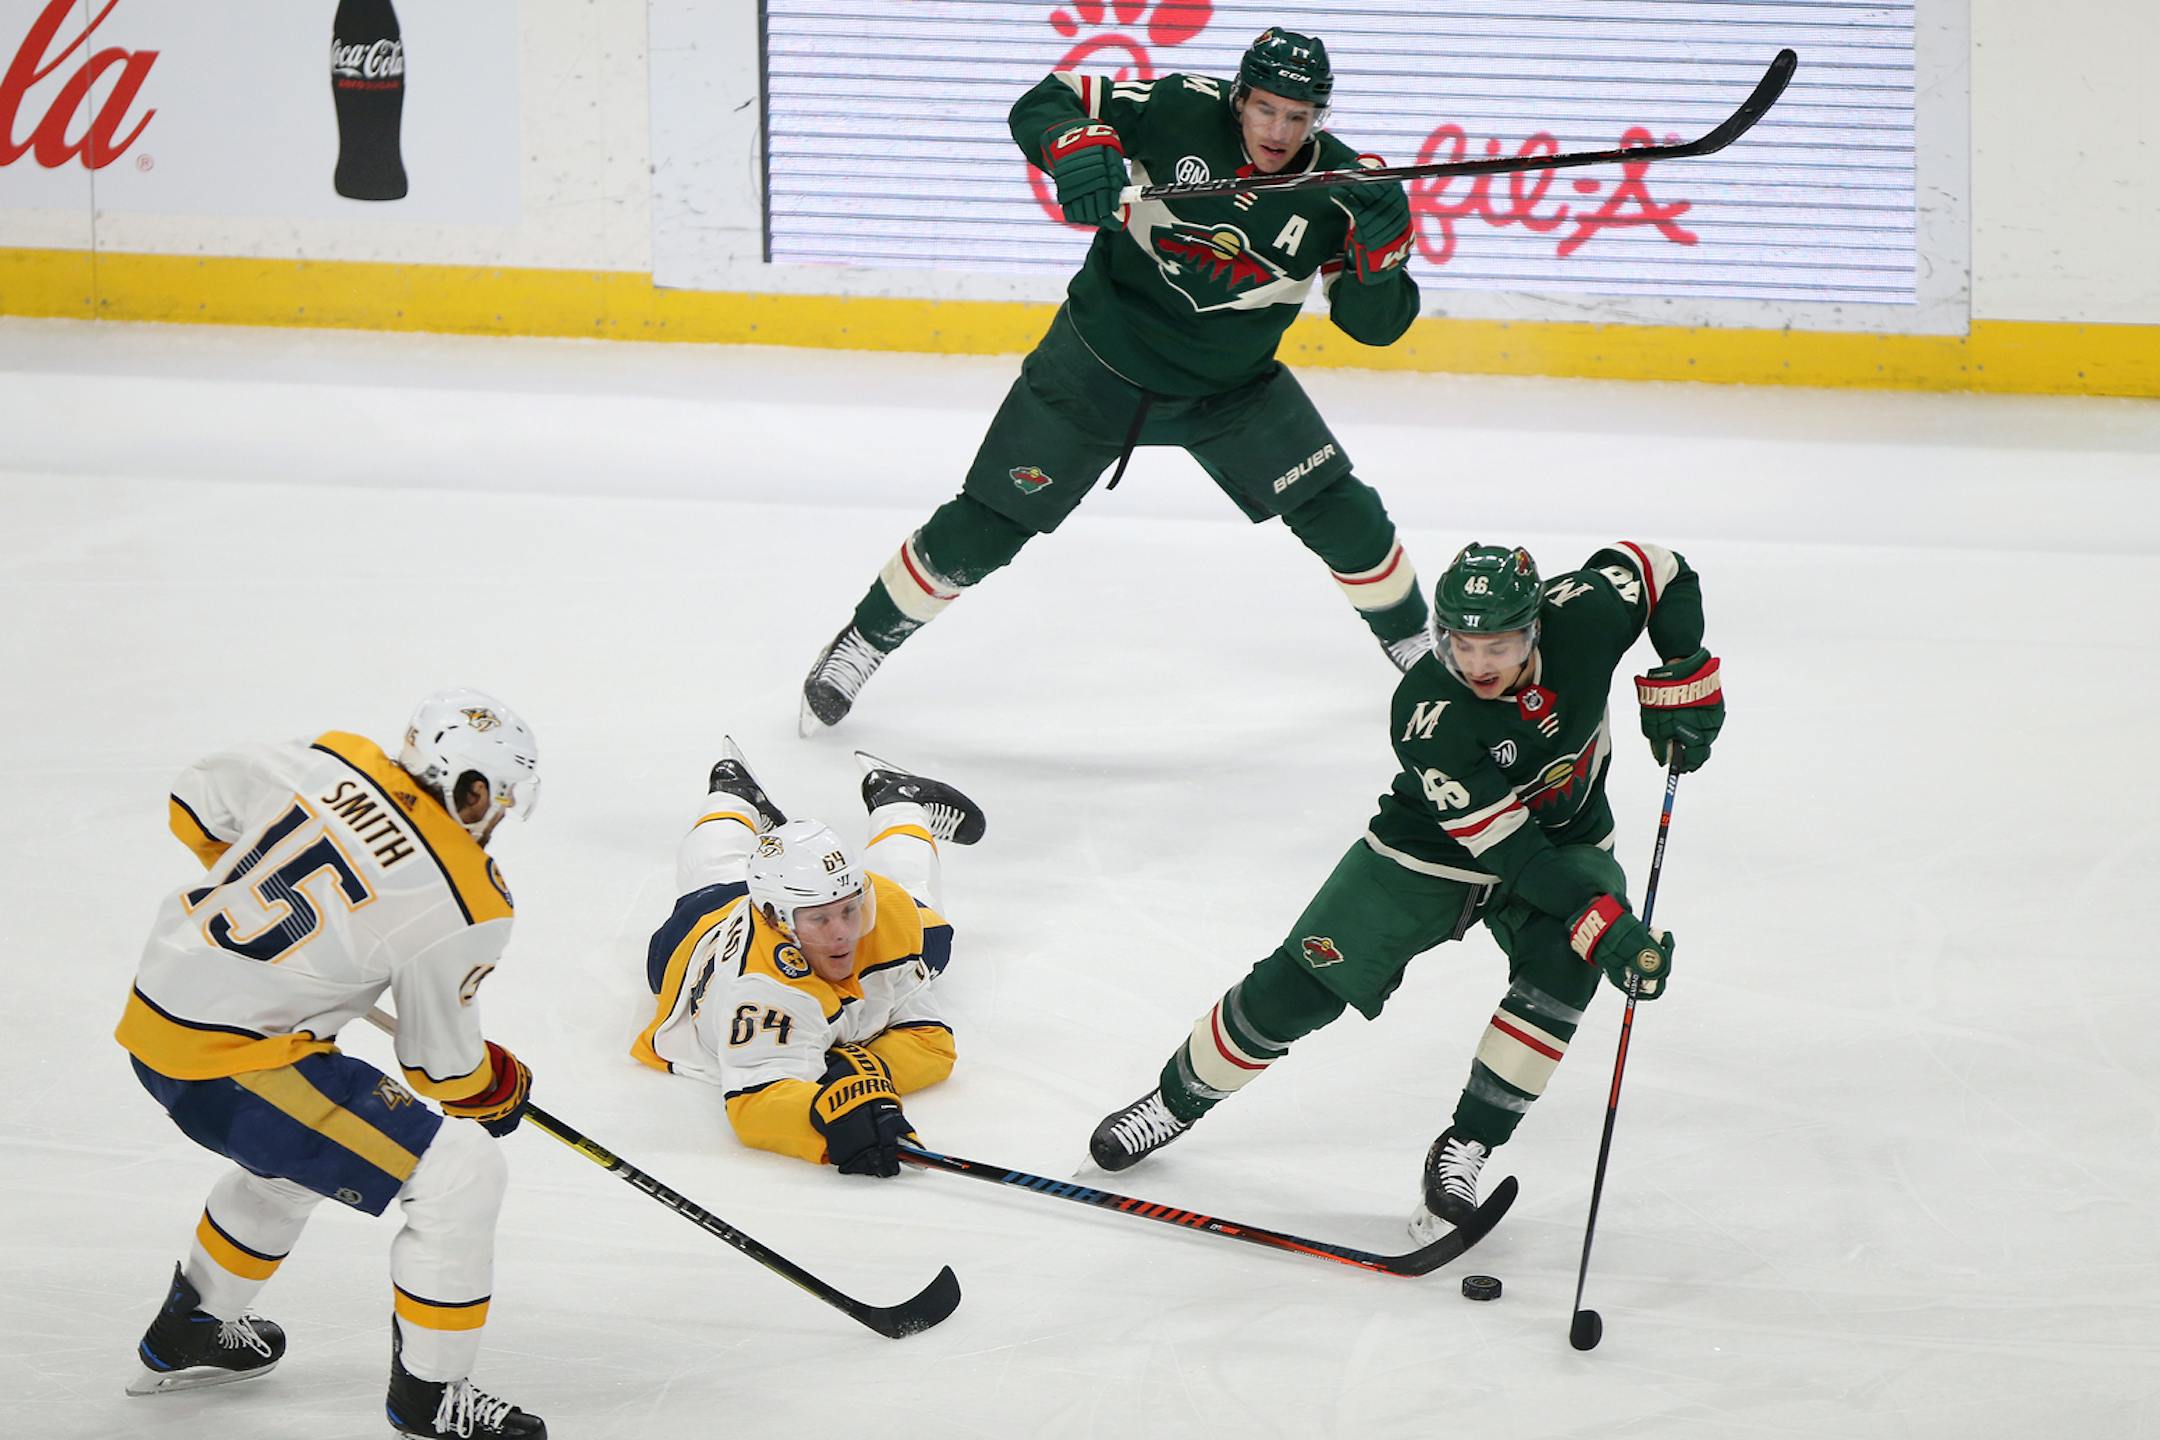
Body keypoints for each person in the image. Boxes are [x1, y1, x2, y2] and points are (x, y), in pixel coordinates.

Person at [800, 26, 1434, 734]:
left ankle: (1413, 640)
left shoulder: (1345, 188)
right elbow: (1046, 100)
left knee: (1341, 511)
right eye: (1266, 109)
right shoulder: (1176, 107)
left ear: (1320, 117)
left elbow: (1373, 328)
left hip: (1231, 392)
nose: (1280, 131)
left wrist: (1382, 262)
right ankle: (861, 643)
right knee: (988, 524)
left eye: (1298, 116)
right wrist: (1069, 144)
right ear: (1238, 98)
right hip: (1094, 369)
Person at [1086, 541, 1725, 1239]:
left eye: (1500, 645)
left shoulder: (1588, 612)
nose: (1478, 664)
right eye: (1461, 644)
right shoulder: (1428, 708)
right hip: (1431, 851)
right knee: (1299, 985)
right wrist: (1601, 920)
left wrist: (1683, 669)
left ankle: (1466, 1145)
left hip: (1569, 841)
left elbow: (1659, 568)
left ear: (1537, 626)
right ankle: (1176, 1100)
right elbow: (1511, 853)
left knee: (1564, 974)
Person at [115, 688, 547, 1439]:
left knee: (294, 1157)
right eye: (498, 799)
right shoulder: (467, 895)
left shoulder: (335, 760)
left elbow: (195, 796)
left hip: (158, 1010)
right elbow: (441, 1069)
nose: (499, 817)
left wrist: (258, 888)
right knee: (460, 1171)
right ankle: (431, 1400)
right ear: (471, 789)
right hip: (234, 1063)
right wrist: (496, 1087)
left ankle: (191, 1329)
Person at [632, 742, 985, 1178]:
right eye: (820, 918)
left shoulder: (884, 916)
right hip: (694, 941)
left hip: (769, 912)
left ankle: (899, 802)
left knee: (929, 927)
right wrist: (826, 1120)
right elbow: (756, 1101)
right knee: (714, 876)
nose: (842, 932)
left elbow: (931, 1042)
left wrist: (855, 1071)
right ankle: (732, 794)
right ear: (774, 920)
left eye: (850, 909)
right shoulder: (760, 990)